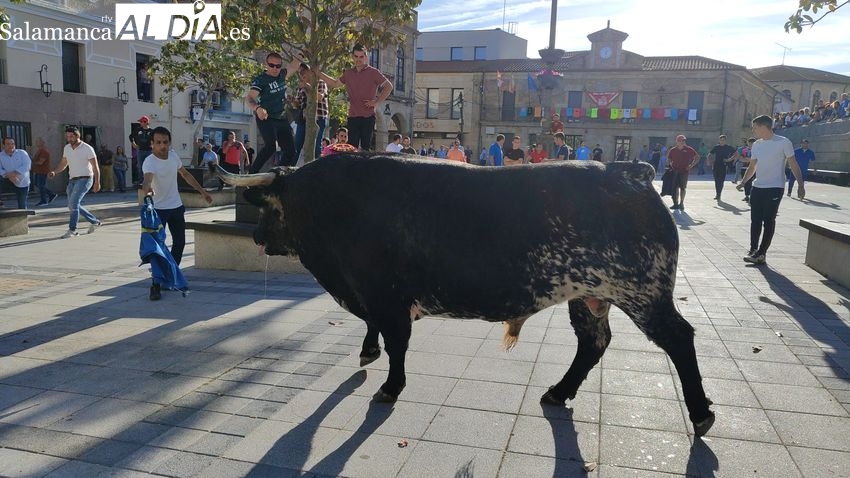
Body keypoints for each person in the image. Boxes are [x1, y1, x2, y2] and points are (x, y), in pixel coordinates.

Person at [142, 126, 212, 271]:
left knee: (180, 242)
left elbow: (185, 174)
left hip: (176, 207)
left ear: (169, 142)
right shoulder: (150, 161)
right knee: (157, 245)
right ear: (152, 144)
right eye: (158, 142)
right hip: (158, 210)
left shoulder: (173, 156)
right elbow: (147, 179)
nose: (162, 146)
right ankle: (156, 282)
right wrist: (148, 189)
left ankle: (172, 272)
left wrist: (202, 191)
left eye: (165, 142)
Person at [737, 114, 804, 265]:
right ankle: (753, 249)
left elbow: (793, 164)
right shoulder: (757, 145)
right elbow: (753, 166)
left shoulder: (783, 142)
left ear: (763, 127)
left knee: (768, 220)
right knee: (755, 220)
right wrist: (743, 182)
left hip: (775, 187)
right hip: (757, 187)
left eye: (755, 128)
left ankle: (761, 253)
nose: (753, 131)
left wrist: (800, 185)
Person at [320, 44, 393, 151]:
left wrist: (376, 101)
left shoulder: (373, 72)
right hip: (353, 116)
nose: (358, 59)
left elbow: (389, 87)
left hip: (368, 117)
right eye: (356, 56)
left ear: (366, 57)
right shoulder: (348, 73)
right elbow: (335, 83)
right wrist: (318, 73)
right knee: (351, 148)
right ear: (352, 57)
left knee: (365, 148)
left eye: (361, 57)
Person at [246, 52, 300, 172]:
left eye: (278, 66)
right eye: (271, 65)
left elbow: (294, 66)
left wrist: (302, 53)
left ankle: (277, 174)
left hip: (281, 118)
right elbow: (249, 99)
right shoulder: (261, 80)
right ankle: (251, 174)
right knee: (270, 147)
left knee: (291, 151)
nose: (275, 69)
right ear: (266, 64)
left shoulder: (282, 75)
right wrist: (257, 109)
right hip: (266, 118)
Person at [49, 126, 101, 238]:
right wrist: (55, 171)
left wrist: (97, 182)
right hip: (72, 180)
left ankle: (72, 230)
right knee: (73, 205)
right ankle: (95, 222)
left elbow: (95, 166)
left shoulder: (87, 148)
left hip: (85, 179)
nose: (69, 138)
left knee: (73, 204)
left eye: (71, 136)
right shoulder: (67, 148)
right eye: (67, 136)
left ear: (77, 135)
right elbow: (63, 164)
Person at [666, 134, 698, 211]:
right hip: (675, 171)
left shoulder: (688, 149)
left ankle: (681, 203)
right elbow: (669, 158)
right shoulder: (673, 150)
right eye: (681, 140)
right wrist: (670, 164)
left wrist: (691, 165)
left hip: (684, 171)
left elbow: (697, 157)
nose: (683, 142)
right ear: (677, 141)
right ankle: (675, 204)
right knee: (675, 188)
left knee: (683, 188)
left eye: (684, 140)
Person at [0, 137, 31, 209]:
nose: (11, 146)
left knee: (22, 205)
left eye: (12, 144)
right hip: (8, 180)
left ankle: (23, 219)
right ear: (3, 145)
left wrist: (14, 173)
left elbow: (27, 165)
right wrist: (9, 176)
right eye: (8, 144)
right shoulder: (0, 155)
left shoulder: (22, 153)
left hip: (22, 182)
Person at [708, 134, 736, 200]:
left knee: (721, 181)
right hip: (716, 166)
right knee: (716, 181)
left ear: (725, 140)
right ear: (719, 140)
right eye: (721, 140)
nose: (722, 141)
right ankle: (717, 194)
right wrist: (709, 161)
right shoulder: (716, 147)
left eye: (723, 140)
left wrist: (730, 159)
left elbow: (736, 154)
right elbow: (710, 154)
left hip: (724, 166)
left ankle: (719, 194)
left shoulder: (728, 147)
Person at [32, 137, 57, 206]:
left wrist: (31, 161)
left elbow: (40, 162)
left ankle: (44, 201)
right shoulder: (39, 151)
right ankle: (51, 194)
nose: (36, 143)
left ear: (42, 143)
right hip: (38, 171)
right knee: (37, 184)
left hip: (43, 171)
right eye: (36, 141)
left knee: (41, 186)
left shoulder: (44, 151)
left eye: (38, 141)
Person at [130, 116, 153, 183]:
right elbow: (131, 136)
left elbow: (155, 140)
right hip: (140, 150)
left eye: (141, 122)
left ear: (146, 122)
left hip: (149, 150)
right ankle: (141, 180)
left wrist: (153, 146)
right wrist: (133, 144)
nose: (140, 123)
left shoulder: (151, 131)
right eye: (140, 122)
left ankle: (149, 180)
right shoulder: (138, 130)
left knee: (149, 166)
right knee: (140, 166)